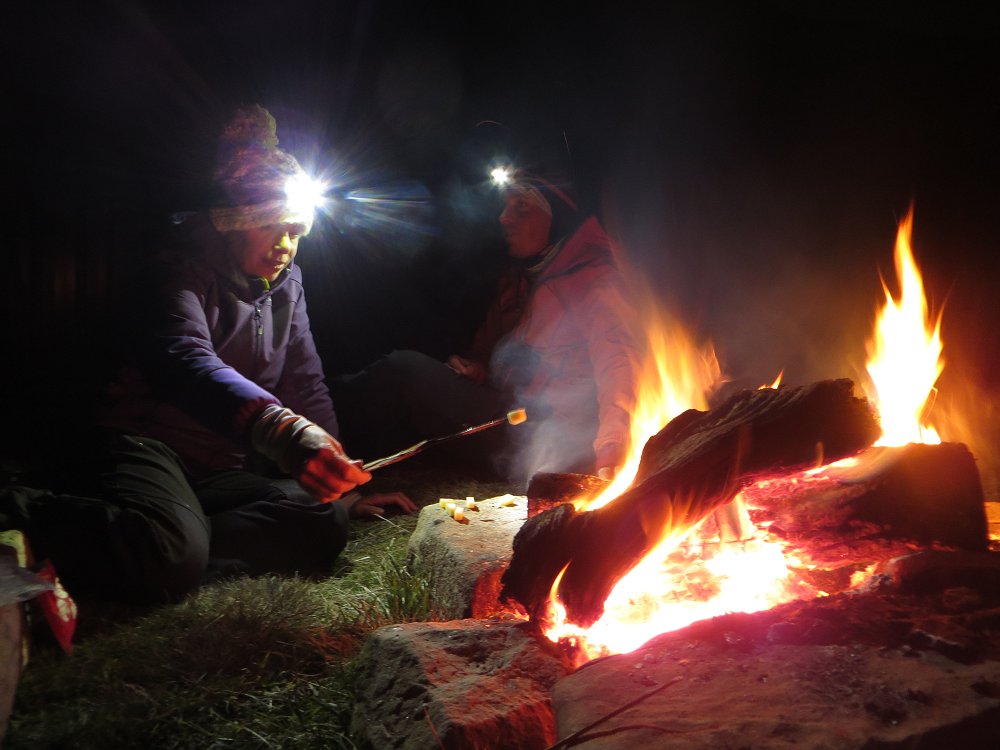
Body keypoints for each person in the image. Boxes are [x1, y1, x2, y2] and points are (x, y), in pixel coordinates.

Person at [0, 105, 415, 604]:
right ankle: (20, 508)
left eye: (296, 232)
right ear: (234, 224)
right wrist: (279, 431)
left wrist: (344, 486)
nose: (285, 245)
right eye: (272, 227)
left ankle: (170, 548)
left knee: (325, 515)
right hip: (147, 445)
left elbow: (304, 382)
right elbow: (184, 357)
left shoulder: (288, 287)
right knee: (173, 549)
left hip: (215, 468)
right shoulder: (178, 270)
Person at [332, 167, 640, 483]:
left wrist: (612, 450)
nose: (504, 218)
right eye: (506, 207)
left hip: (549, 436)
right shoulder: (519, 282)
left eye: (521, 207)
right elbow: (490, 354)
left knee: (404, 370)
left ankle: (323, 444)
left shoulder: (595, 279)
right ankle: (323, 426)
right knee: (395, 378)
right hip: (511, 415)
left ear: (556, 218)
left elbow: (619, 363)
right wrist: (475, 368)